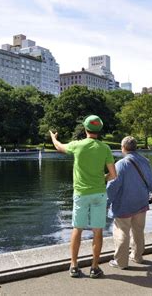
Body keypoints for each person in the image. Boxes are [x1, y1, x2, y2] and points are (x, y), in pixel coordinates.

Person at [49, 115, 116, 279]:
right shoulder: (105, 148)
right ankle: (94, 268)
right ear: (99, 131)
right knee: (97, 230)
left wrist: (53, 137)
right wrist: (102, 179)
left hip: (81, 194)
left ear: (85, 129)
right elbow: (113, 175)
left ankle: (74, 266)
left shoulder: (77, 146)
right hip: (99, 194)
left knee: (77, 229)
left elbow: (59, 147)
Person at [106, 136, 152, 269]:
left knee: (121, 231)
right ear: (136, 148)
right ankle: (137, 256)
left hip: (124, 204)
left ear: (123, 148)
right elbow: (151, 179)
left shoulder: (120, 164)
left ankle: (121, 262)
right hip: (141, 201)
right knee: (138, 230)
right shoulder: (145, 161)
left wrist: (106, 202)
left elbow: (113, 186)